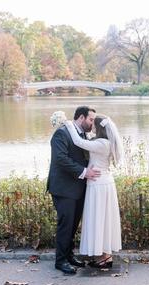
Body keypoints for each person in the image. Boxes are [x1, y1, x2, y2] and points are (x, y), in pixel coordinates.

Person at [47, 106, 101, 275]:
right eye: (91, 119)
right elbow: (61, 159)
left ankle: (69, 256)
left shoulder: (83, 134)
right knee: (65, 225)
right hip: (63, 188)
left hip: (77, 188)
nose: (92, 123)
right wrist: (85, 172)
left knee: (73, 225)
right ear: (81, 117)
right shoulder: (61, 133)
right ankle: (60, 261)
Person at [64, 115, 123, 268]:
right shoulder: (103, 142)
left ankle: (105, 257)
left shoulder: (102, 144)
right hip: (103, 182)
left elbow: (78, 142)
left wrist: (68, 123)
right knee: (103, 219)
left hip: (99, 185)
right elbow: (89, 140)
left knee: (99, 218)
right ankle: (104, 257)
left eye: (94, 124)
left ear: (99, 128)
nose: (92, 127)